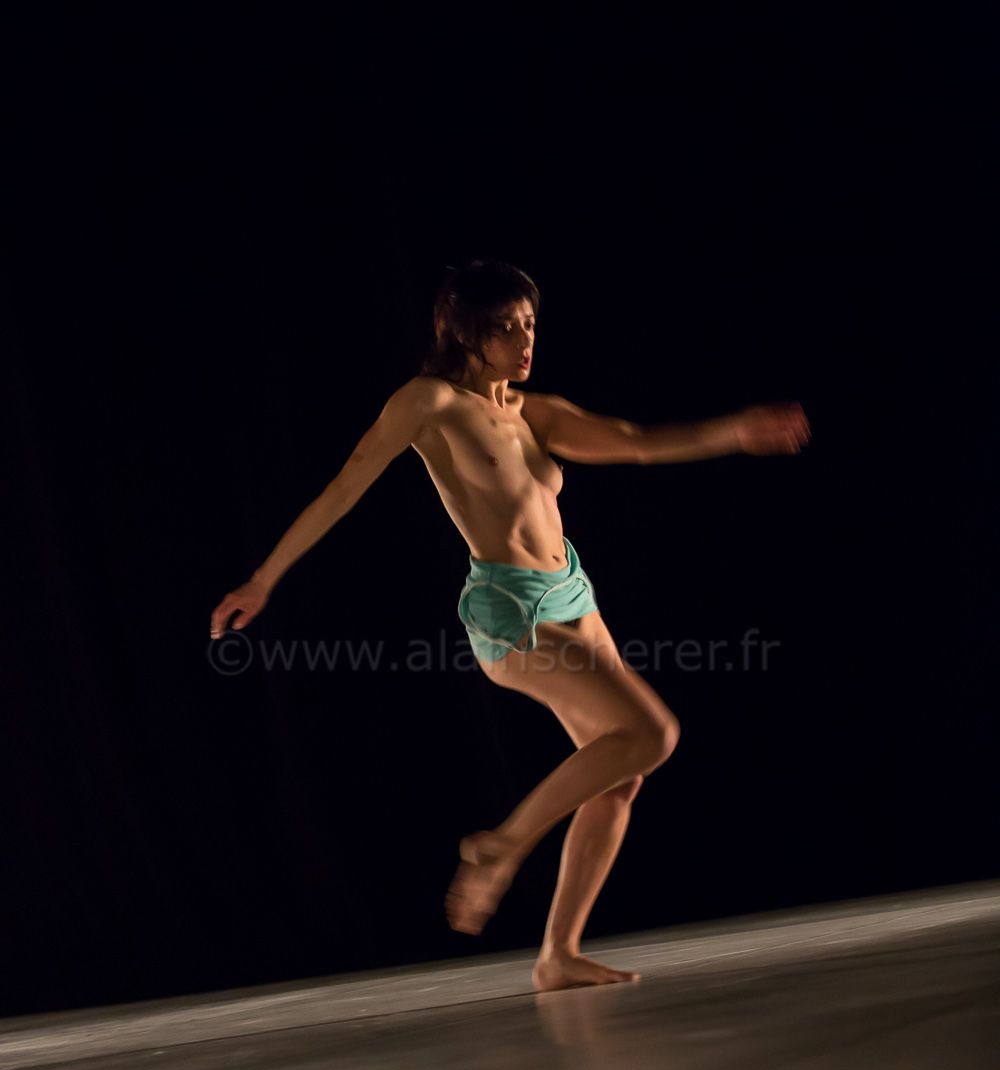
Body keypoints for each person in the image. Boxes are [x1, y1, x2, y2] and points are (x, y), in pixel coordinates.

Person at [210, 258, 810, 991]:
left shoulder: (534, 412)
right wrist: (263, 578)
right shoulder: (431, 401)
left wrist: (734, 432)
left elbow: (636, 441)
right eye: (506, 329)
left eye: (530, 325)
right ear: (466, 334)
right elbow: (344, 487)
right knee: (653, 733)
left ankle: (558, 955)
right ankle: (502, 845)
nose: (525, 342)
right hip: (511, 611)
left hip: (573, 595)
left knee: (621, 777)